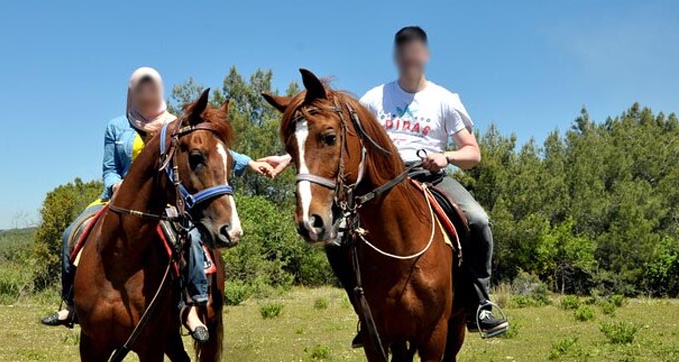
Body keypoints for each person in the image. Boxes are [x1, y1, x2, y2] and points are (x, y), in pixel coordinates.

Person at [260, 26, 508, 341]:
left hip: (431, 177)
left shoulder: (445, 99)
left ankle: (480, 303)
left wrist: (446, 156)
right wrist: (290, 157)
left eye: (415, 51)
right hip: (382, 182)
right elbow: (334, 136)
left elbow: (473, 153)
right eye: (402, 51)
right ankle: (365, 313)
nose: (409, 57)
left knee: (479, 220)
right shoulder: (375, 98)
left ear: (425, 55)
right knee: (335, 238)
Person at [41, 67, 275, 342]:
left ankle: (191, 306)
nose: (147, 94)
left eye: (152, 88)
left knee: (192, 239)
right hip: (116, 199)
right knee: (71, 233)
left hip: (163, 202)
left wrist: (250, 163)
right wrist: (116, 185)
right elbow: (109, 169)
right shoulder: (116, 126)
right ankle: (72, 304)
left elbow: (210, 149)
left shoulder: (172, 125)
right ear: (132, 93)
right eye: (141, 89)